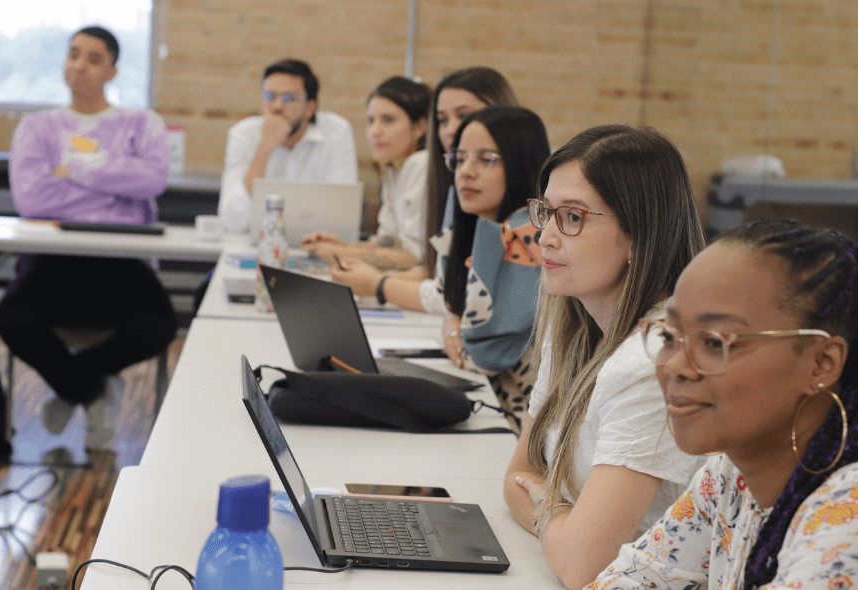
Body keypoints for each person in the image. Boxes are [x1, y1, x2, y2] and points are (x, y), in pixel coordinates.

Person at [587, 219, 858, 589]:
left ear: (822, 363)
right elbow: (628, 581)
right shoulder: (729, 473)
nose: (676, 365)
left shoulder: (846, 526)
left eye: (715, 342)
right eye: (669, 335)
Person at [503, 124, 707, 588]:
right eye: (546, 213)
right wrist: (561, 524)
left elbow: (581, 566)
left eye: (572, 217)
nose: (546, 237)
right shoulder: (573, 328)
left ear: (639, 236)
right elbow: (518, 476)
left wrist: (549, 508)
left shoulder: (654, 360)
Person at [0, 26, 177, 450]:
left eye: (94, 58)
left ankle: (71, 386)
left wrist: (72, 169)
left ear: (112, 70)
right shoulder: (37, 128)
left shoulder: (139, 123)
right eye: (73, 54)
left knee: (159, 326)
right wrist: (116, 186)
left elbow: (152, 179)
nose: (79, 65)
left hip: (121, 261)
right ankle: (90, 388)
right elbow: (32, 198)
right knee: (11, 320)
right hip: (53, 261)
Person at [342, 105, 549, 425]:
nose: (466, 171)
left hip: (524, 425)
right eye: (460, 158)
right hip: (495, 405)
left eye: (486, 159)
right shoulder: (483, 223)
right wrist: (453, 321)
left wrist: (456, 329)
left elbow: (485, 352)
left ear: (522, 163)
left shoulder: (526, 233)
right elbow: (457, 305)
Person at [330, 66, 519, 308]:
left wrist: (375, 281)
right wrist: (346, 252)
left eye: (464, 116)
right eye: (442, 120)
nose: (451, 129)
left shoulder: (422, 165)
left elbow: (425, 267)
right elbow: (444, 280)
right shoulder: (441, 181)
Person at [301, 76, 431, 271]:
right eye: (371, 120)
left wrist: (340, 254)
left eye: (388, 120)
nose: (374, 131)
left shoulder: (421, 163)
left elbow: (413, 256)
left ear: (419, 127)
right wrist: (342, 246)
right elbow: (389, 241)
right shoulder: (392, 167)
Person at [217, 58, 359, 234]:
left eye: (289, 98)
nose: (277, 106)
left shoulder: (336, 131)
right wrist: (264, 148)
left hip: (316, 246)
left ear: (310, 108)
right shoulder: (244, 134)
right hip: (255, 246)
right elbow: (232, 221)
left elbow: (343, 216)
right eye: (270, 96)